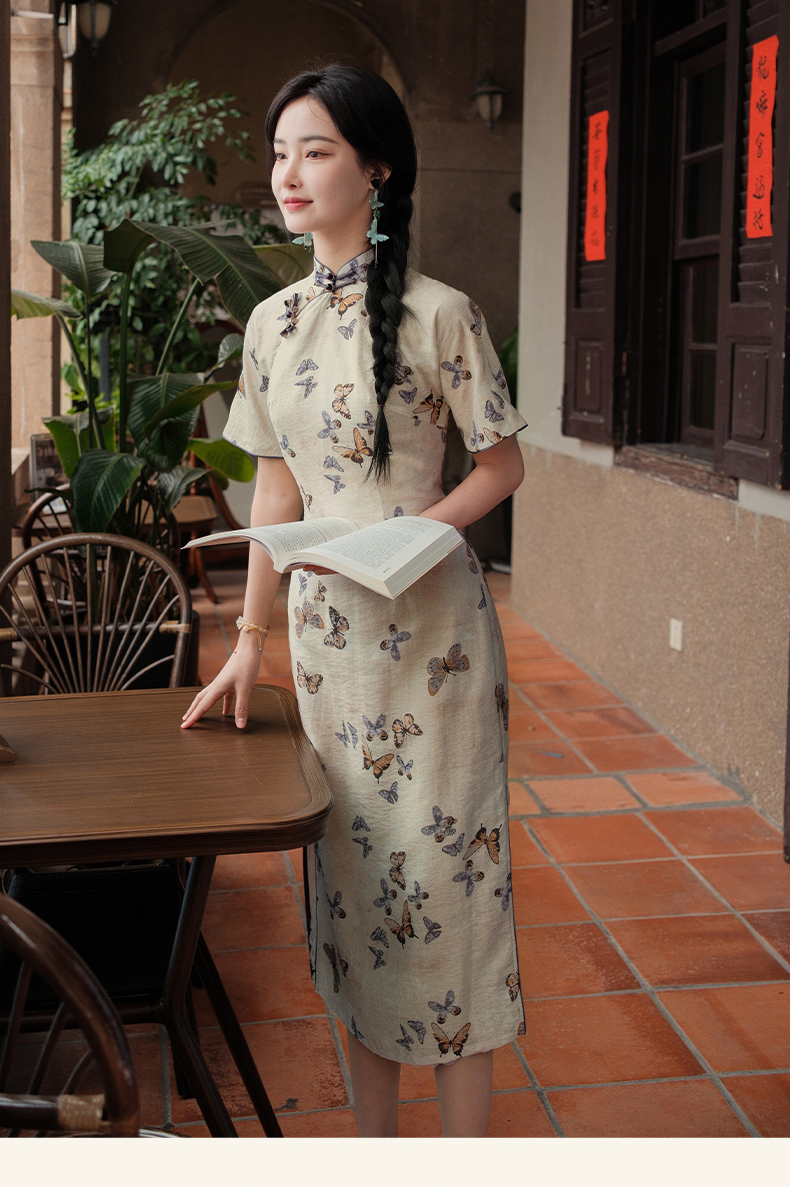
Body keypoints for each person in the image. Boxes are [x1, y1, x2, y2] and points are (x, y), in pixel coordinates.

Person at [182, 63, 527, 1138]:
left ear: (375, 169)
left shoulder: (441, 313)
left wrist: (414, 532)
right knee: (355, 890)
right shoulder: (270, 322)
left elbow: (503, 465)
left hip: (434, 647)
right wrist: (249, 641)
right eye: (281, 151)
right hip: (330, 648)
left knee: (448, 893)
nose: (288, 172)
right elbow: (275, 489)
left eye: (316, 150)